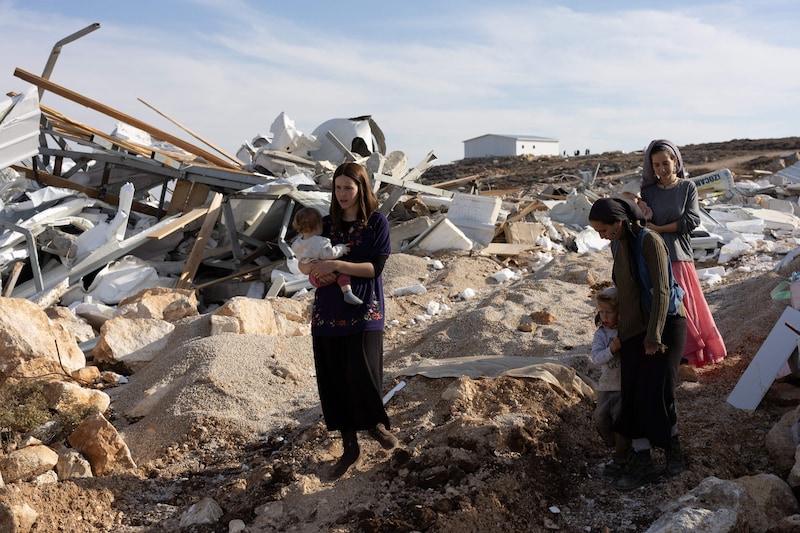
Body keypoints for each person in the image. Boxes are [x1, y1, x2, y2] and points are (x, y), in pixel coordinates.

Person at [297, 162, 398, 480]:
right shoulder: (325, 224)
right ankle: (350, 446)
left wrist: (335, 263)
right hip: (328, 310)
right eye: (337, 188)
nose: (342, 194)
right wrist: (313, 270)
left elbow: (374, 268)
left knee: (363, 371)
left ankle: (374, 425)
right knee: (334, 377)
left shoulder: (377, 223)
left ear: (362, 189)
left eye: (348, 188)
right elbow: (302, 262)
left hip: (365, 308)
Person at [588, 197, 687, 492]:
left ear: (618, 223)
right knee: (632, 396)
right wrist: (605, 313)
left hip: (665, 326)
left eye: (603, 230)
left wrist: (653, 336)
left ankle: (674, 454)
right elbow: (625, 288)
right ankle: (641, 461)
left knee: (658, 392)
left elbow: (662, 292)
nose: (601, 236)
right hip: (634, 330)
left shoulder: (650, 241)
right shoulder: (617, 245)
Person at [640, 139, 727, 375]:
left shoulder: (688, 187)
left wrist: (659, 229)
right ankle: (665, 353)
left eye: (665, 163)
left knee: (682, 305)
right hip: (654, 254)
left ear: (675, 161)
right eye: (656, 165)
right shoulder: (647, 191)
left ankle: (689, 355)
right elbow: (643, 220)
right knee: (658, 303)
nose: (661, 169)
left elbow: (691, 221)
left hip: (678, 254)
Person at [589, 287, 631, 478]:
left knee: (620, 422)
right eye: (601, 312)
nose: (604, 316)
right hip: (606, 386)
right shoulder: (601, 335)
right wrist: (612, 350)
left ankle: (622, 457)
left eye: (609, 312)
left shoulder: (626, 331)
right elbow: (596, 358)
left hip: (623, 388)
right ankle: (615, 444)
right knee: (601, 419)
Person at [291, 206, 363, 305]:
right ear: (317, 227)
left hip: (312, 277)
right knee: (343, 273)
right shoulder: (319, 241)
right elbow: (329, 254)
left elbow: (300, 260)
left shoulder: (297, 244)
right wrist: (341, 248)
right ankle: (347, 292)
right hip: (325, 274)